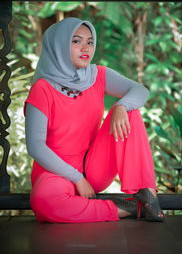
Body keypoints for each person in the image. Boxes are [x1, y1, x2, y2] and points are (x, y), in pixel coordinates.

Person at [24, 17, 164, 223]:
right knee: (43, 201)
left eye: (90, 42)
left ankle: (149, 196)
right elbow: (36, 147)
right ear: (59, 45)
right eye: (76, 41)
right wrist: (77, 178)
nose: (86, 48)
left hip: (94, 167)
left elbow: (139, 90)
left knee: (130, 111)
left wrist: (120, 106)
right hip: (56, 173)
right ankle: (126, 209)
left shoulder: (97, 75)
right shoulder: (42, 89)